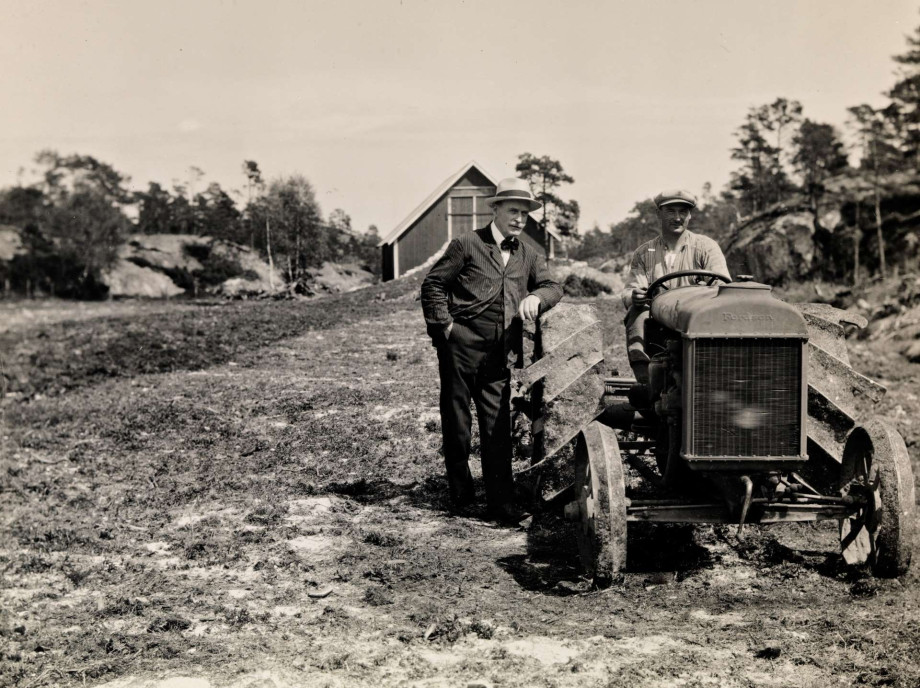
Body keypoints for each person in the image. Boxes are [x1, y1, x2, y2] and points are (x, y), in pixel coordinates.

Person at [421, 177, 563, 524]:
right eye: (512, 210)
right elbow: (434, 284)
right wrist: (446, 329)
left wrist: (536, 297)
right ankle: (461, 495)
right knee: (457, 422)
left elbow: (553, 286)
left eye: (525, 213)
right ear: (495, 209)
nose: (518, 219)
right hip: (461, 342)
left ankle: (500, 505)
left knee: (496, 426)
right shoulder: (468, 244)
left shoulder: (529, 254)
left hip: (501, 351)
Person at [622, 189, 730, 384]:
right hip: (658, 318)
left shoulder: (706, 247)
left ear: (690, 215)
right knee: (637, 313)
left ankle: (715, 378)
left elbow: (722, 284)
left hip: (696, 315)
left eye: (683, 211)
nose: (677, 218)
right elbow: (631, 289)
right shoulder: (644, 252)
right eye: (671, 211)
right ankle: (646, 382)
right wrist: (635, 296)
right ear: (659, 214)